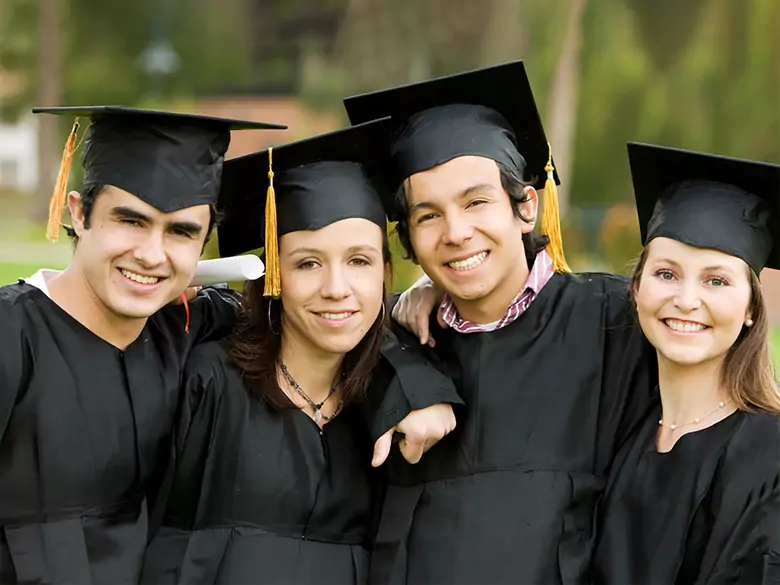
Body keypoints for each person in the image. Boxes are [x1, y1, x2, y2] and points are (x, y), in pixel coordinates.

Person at [343, 61, 656, 584]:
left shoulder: (616, 322)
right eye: (428, 216)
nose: (456, 232)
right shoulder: (389, 342)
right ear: (408, 239)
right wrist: (398, 342)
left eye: (477, 202)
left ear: (526, 206)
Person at [141, 119, 460, 584]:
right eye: (308, 263)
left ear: (385, 274)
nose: (336, 289)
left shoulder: (387, 413)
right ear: (273, 278)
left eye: (359, 261)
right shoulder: (206, 383)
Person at [0, 106, 284, 583]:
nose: (152, 254)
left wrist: (414, 320)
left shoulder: (188, 325)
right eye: (131, 221)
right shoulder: (12, 336)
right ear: (78, 214)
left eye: (180, 232)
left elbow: (323, 324)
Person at [592, 143, 780, 584]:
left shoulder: (769, 456)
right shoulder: (621, 429)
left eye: (716, 280)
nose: (686, 300)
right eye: (666, 274)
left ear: (751, 308)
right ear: (636, 290)